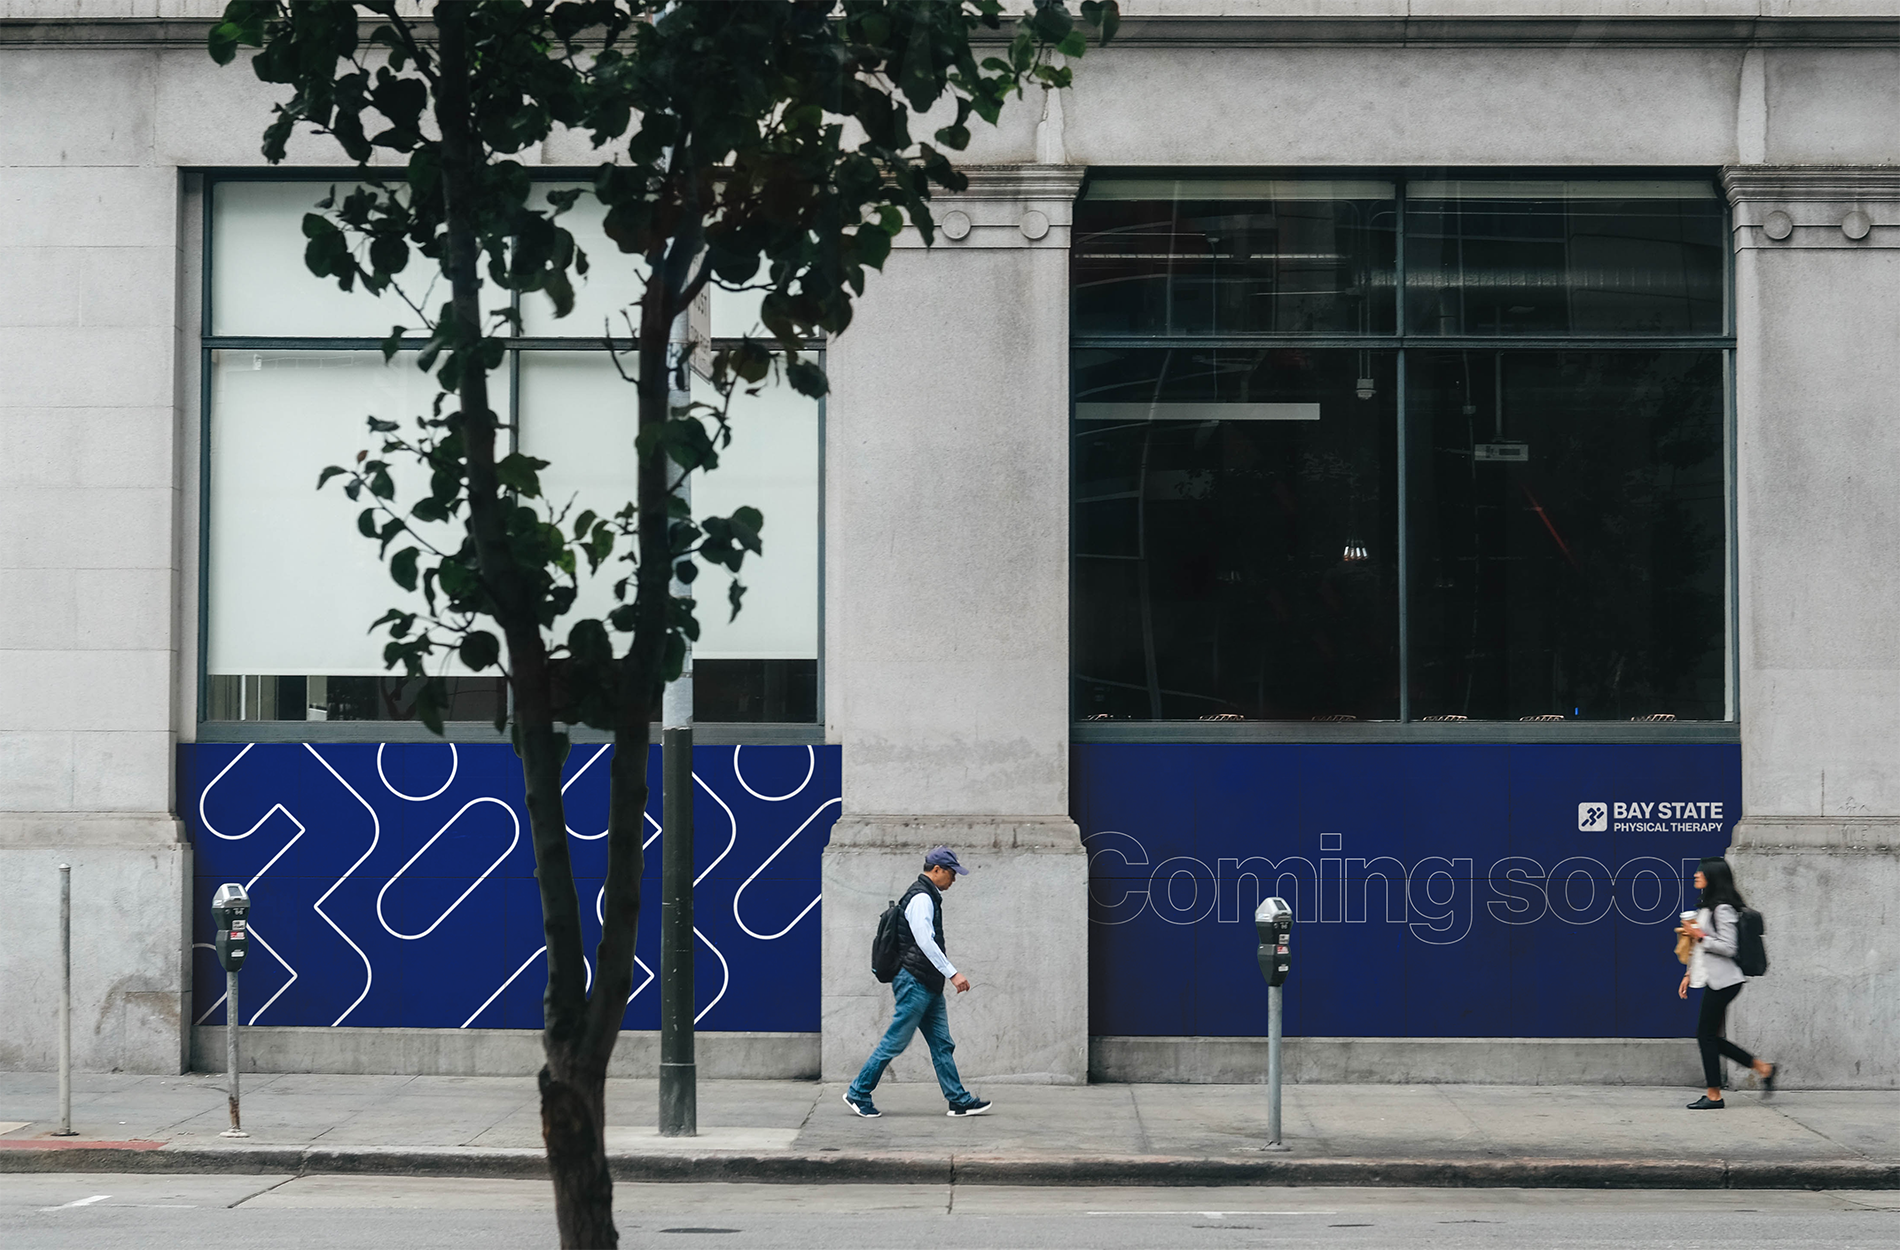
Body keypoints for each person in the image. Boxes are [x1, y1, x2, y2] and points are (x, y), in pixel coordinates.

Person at [843, 846, 992, 1119]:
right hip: (914, 981)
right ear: (937, 870)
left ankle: (958, 1100)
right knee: (895, 1041)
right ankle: (858, 1091)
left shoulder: (927, 895)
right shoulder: (922, 897)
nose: (954, 880)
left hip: (927, 983)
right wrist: (952, 973)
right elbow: (925, 941)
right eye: (951, 873)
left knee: (942, 1043)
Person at [1678, 856, 1777, 1109]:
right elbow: (1700, 950)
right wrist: (1689, 974)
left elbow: (1728, 947)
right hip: (1715, 978)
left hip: (1726, 981)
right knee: (1709, 1035)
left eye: (1701, 872)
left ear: (1713, 877)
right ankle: (1763, 1068)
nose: (1696, 876)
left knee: (1705, 1035)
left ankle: (1714, 1095)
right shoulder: (1707, 907)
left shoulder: (1723, 908)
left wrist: (1699, 935)